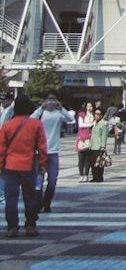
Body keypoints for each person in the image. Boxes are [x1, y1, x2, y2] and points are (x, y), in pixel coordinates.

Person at [0, 94, 47, 238]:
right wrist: (42, 164)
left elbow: (1, 148)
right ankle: (31, 225)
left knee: (11, 198)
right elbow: (42, 146)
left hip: (10, 166)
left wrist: (1, 166)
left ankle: (12, 227)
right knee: (30, 197)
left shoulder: (7, 125)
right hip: (28, 165)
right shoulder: (36, 124)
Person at [32, 92, 74, 213]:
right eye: (49, 100)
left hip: (54, 150)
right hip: (40, 151)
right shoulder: (41, 113)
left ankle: (47, 202)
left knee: (52, 180)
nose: (51, 102)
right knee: (39, 179)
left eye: (53, 100)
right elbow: (31, 119)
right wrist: (41, 107)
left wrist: (61, 108)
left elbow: (70, 119)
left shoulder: (58, 114)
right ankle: (38, 202)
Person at [88, 107, 110, 182]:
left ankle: (99, 177)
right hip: (92, 145)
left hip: (99, 145)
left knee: (99, 162)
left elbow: (104, 135)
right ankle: (94, 177)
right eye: (95, 114)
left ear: (101, 115)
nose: (96, 115)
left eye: (98, 114)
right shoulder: (94, 123)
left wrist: (103, 145)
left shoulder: (103, 124)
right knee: (92, 162)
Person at [76, 101, 94, 182]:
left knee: (87, 159)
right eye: (88, 106)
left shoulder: (94, 115)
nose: (89, 108)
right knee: (81, 158)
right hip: (81, 138)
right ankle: (81, 174)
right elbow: (81, 125)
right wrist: (90, 124)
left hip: (90, 138)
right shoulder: (82, 115)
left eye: (91, 106)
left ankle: (86, 174)